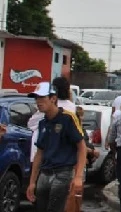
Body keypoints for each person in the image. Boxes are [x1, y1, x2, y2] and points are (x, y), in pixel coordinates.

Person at [25, 82, 87, 212]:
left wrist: (78, 177)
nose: (38, 102)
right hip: (44, 173)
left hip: (62, 173)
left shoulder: (68, 118)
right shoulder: (43, 123)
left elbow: (82, 147)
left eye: (42, 98)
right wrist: (32, 182)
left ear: (53, 99)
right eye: (36, 98)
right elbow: (39, 153)